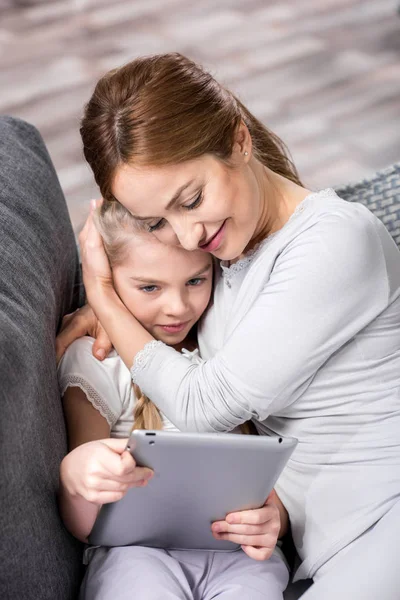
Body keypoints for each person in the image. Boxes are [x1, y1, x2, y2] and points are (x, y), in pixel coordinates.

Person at [57, 53, 400, 599]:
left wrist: (103, 295)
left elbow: (202, 407)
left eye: (191, 200)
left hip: (386, 521)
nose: (188, 237)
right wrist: (119, 302)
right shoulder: (223, 255)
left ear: (240, 140)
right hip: (322, 545)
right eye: (158, 222)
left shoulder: (336, 242)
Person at [58, 200, 290, 600]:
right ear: (109, 280)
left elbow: (282, 476)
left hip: (239, 555)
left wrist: (276, 519)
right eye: (150, 287)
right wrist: (76, 476)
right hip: (134, 554)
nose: (178, 308)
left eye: (196, 281)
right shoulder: (100, 359)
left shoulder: (231, 342)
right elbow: (85, 523)